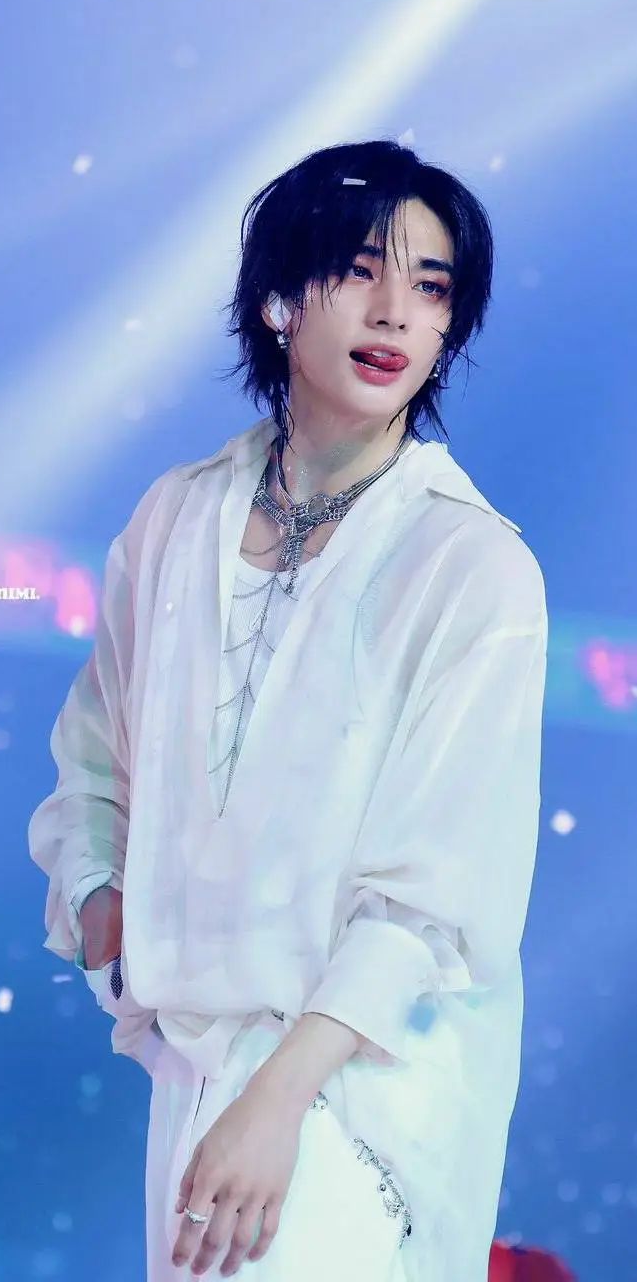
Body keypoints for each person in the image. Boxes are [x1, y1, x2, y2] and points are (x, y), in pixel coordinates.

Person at [28, 139, 549, 1282]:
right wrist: (104, 905)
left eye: (431, 287)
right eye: (361, 269)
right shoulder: (175, 521)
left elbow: (438, 898)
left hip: (354, 1097)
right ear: (277, 297)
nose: (395, 311)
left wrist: (278, 1099)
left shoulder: (471, 566)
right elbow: (93, 759)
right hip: (191, 1080)